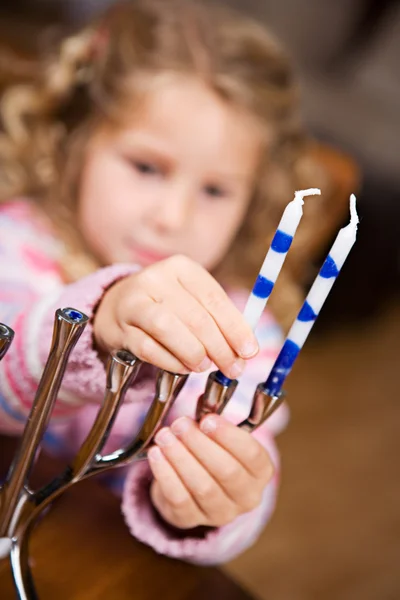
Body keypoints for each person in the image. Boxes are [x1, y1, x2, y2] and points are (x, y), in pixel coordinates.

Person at [0, 0, 319, 564]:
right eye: (147, 167)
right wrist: (95, 325)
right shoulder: (16, 247)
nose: (173, 217)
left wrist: (210, 505)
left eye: (215, 190)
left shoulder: (245, 332)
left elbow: (242, 468)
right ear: (77, 142)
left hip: (91, 565)